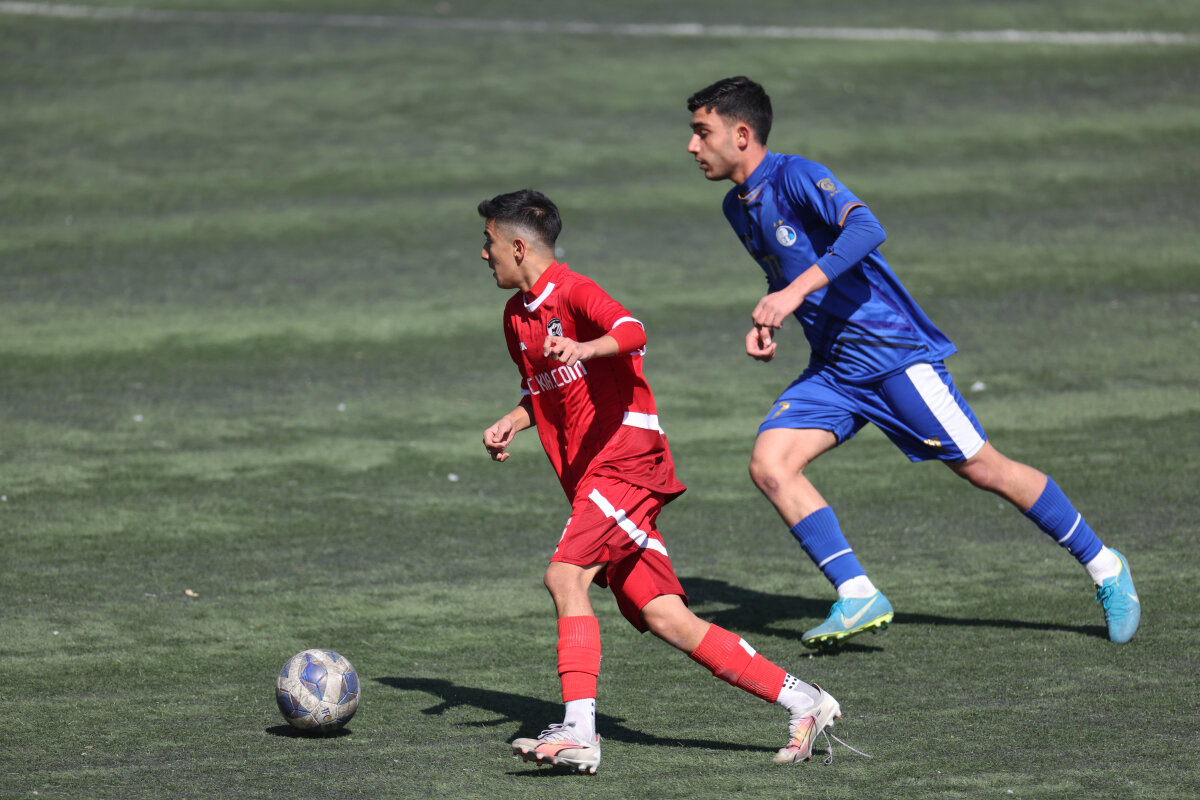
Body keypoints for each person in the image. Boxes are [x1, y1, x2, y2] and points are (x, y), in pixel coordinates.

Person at [683, 76, 1140, 649]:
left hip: (892, 356)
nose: (692, 146)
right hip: (835, 370)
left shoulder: (796, 175)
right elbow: (789, 270)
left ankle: (1105, 566)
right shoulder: (737, 207)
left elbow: (866, 228)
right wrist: (770, 317)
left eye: (703, 132)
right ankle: (857, 593)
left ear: (741, 134)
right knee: (771, 464)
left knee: (984, 468)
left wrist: (792, 294)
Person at [478, 189, 856, 774]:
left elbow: (631, 330)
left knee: (564, 576)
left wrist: (584, 345)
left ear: (519, 246)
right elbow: (544, 391)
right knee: (665, 616)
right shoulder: (515, 318)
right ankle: (806, 701)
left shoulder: (574, 292)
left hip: (626, 461)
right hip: (596, 479)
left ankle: (579, 732)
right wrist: (514, 419)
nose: (484, 254)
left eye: (490, 242)